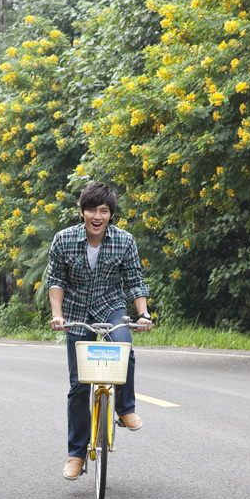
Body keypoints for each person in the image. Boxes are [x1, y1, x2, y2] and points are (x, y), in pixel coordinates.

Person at [46, 181, 152, 481]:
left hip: (110, 306)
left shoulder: (124, 241)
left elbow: (135, 280)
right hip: (77, 312)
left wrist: (142, 313)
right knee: (79, 386)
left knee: (124, 349)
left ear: (110, 215)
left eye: (103, 211)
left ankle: (124, 407)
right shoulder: (64, 240)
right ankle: (77, 454)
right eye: (91, 209)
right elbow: (56, 280)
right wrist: (58, 314)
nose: (97, 216)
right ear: (82, 212)